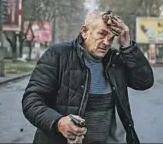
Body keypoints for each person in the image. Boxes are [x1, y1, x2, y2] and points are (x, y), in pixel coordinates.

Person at [22, 10, 154, 144]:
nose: (107, 42)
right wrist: (58, 123)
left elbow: (144, 82)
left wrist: (127, 44)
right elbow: (32, 101)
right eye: (102, 34)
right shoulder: (58, 54)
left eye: (112, 36)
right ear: (84, 32)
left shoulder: (115, 60)